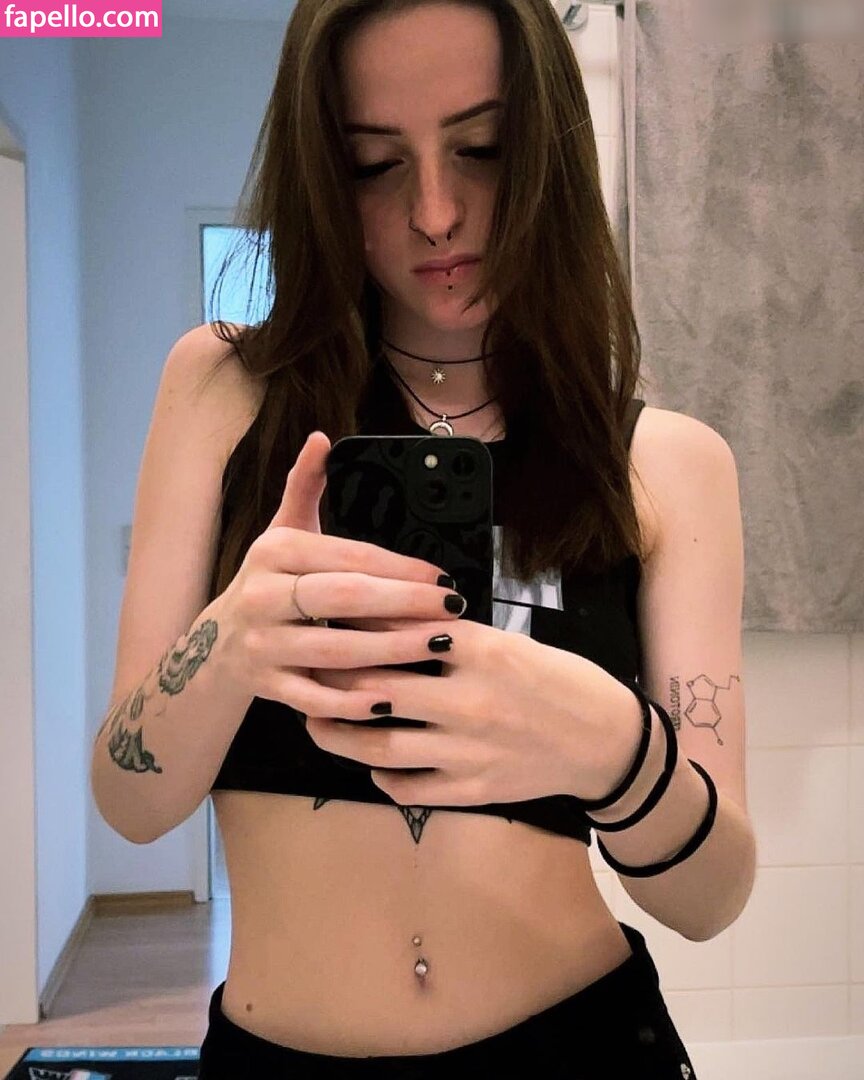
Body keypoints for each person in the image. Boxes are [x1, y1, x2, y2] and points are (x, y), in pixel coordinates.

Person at [91, 1, 757, 1076]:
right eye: (374, 164)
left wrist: (614, 746)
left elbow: (711, 897)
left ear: (548, 153)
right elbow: (131, 801)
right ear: (323, 173)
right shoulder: (222, 387)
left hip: (582, 1048)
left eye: (482, 149)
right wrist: (235, 642)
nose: (436, 213)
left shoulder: (667, 463)